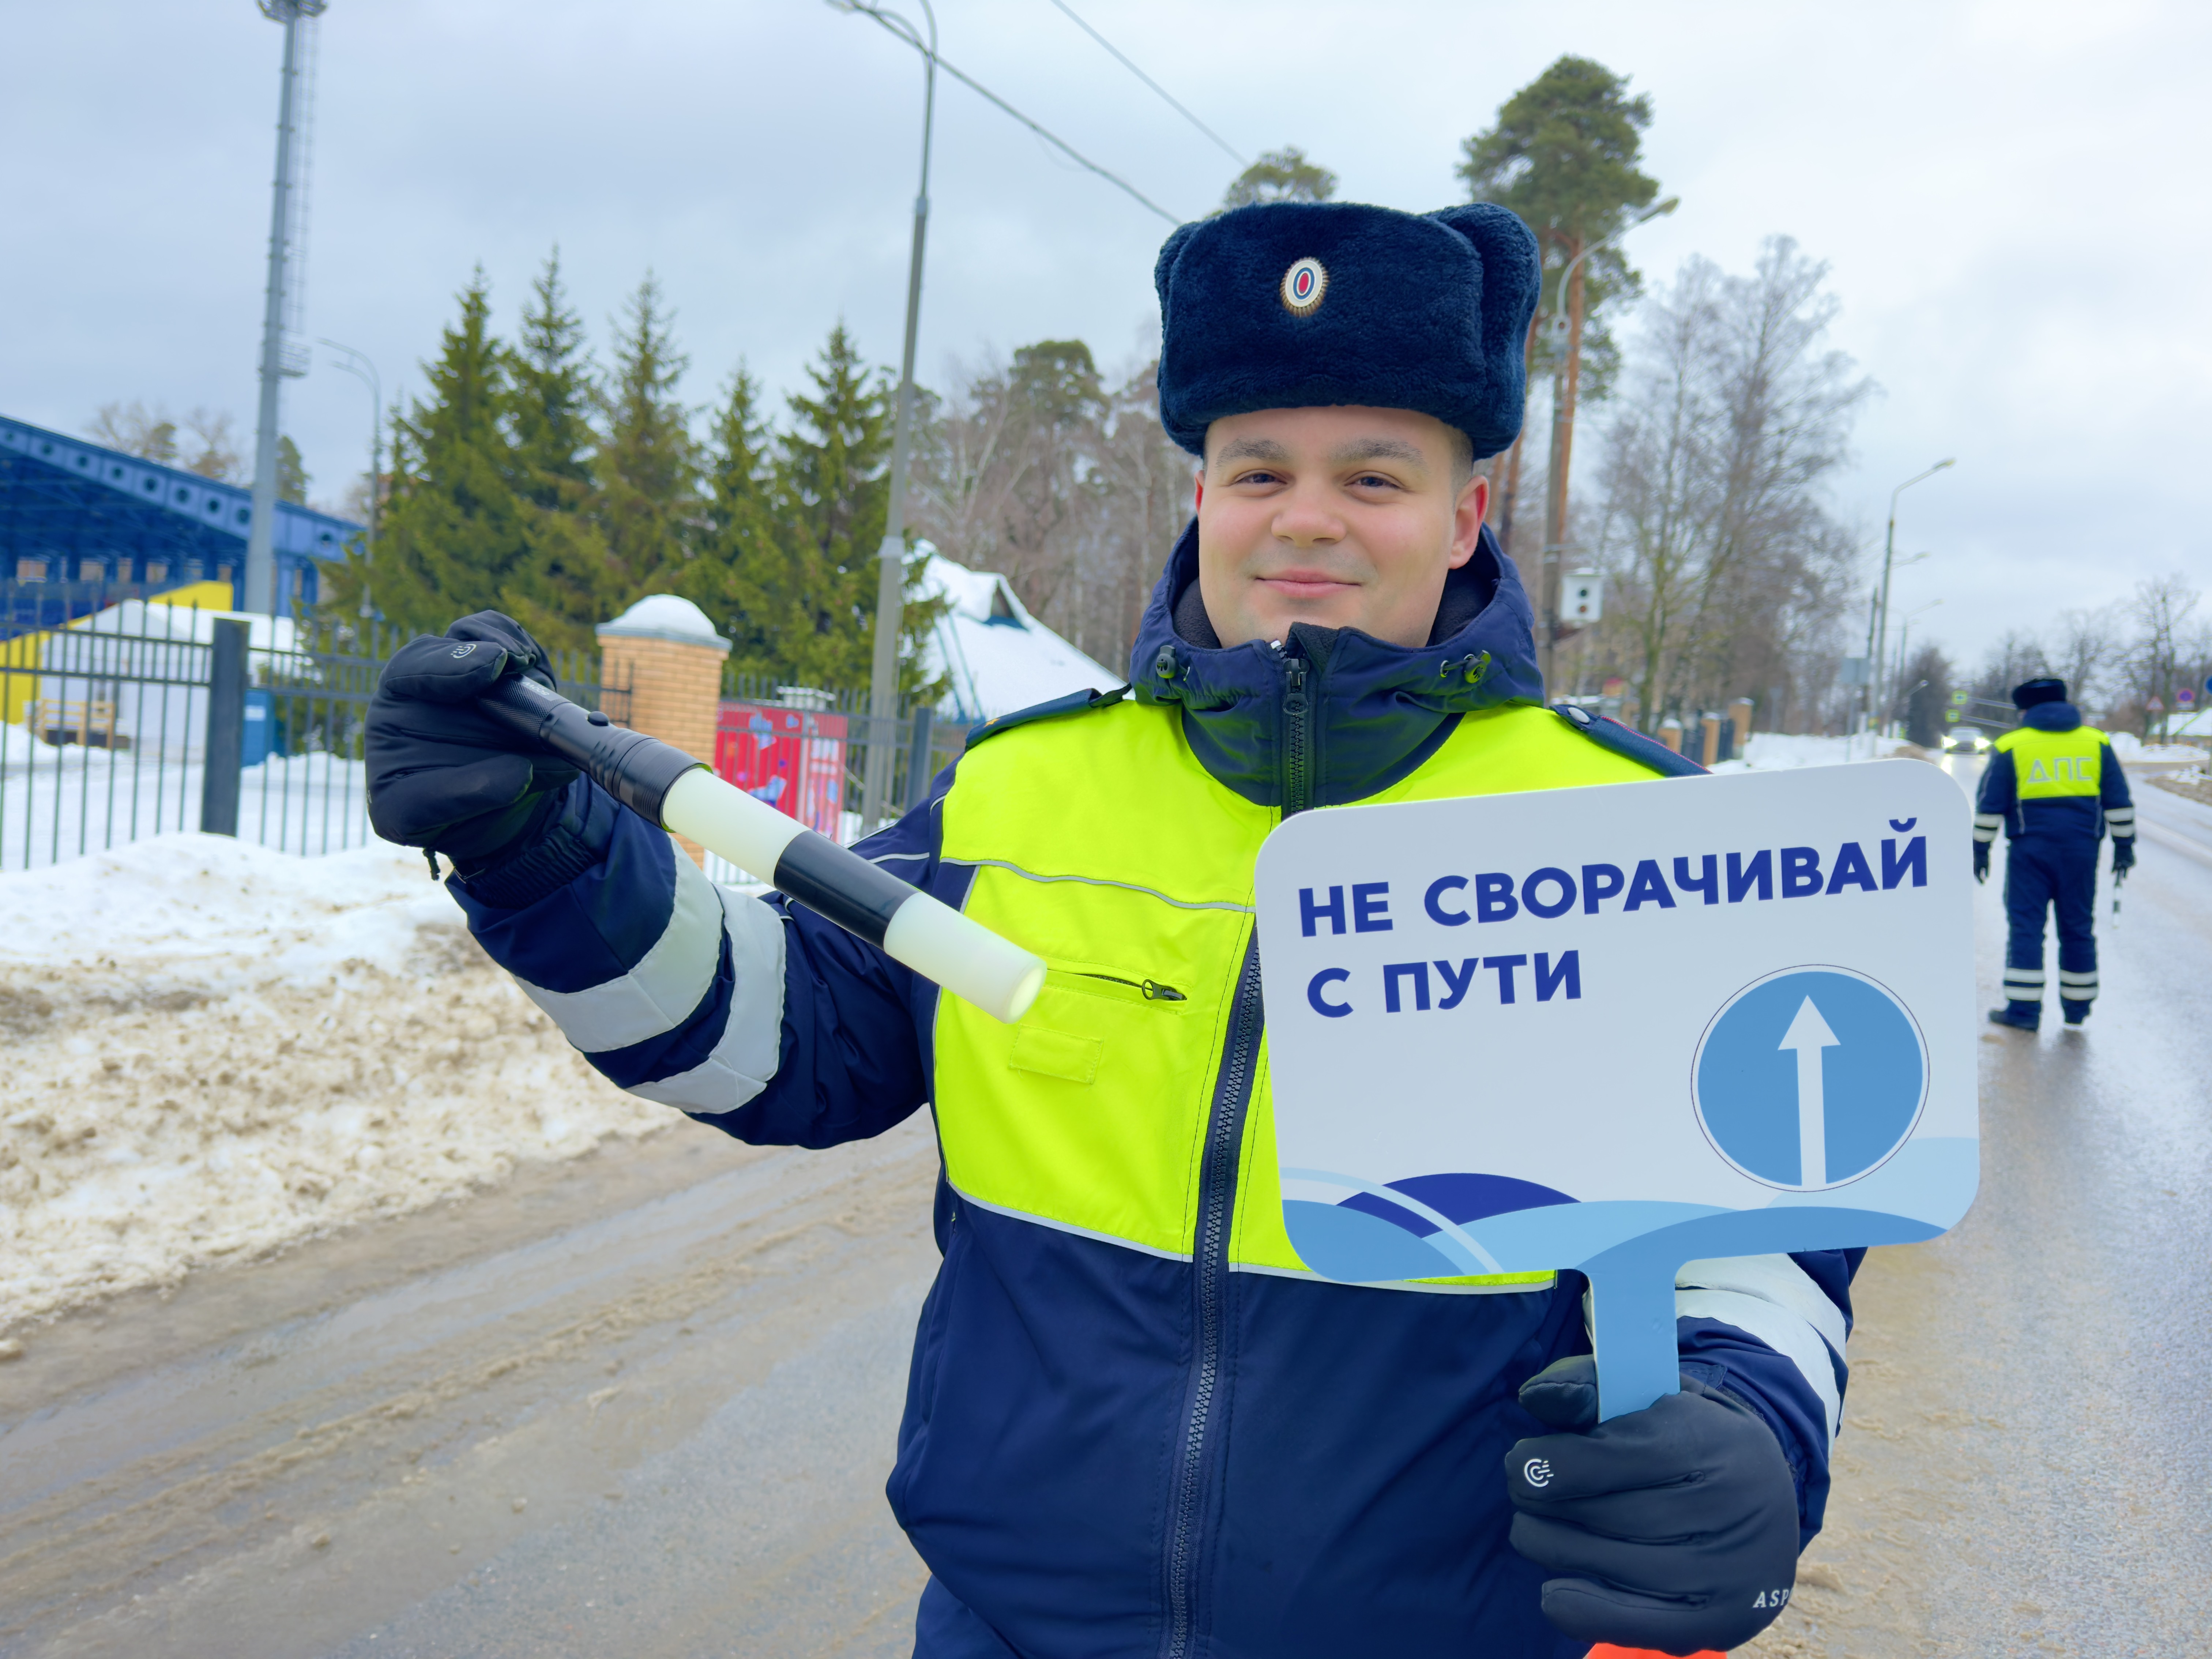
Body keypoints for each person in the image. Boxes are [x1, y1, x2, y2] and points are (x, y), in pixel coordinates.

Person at [367, 200, 1853, 1659]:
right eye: (1258, 466)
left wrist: (1752, 1429)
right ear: (1201, 494)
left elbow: (1756, 1250)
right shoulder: (1020, 791)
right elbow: (777, 1040)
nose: (1309, 517)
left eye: (1377, 475)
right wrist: (543, 850)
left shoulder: (1635, 833)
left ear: (1469, 512)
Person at [1974, 676, 2136, 1030]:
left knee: (2027, 928)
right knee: (2078, 928)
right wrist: (2125, 847)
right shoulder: (2097, 742)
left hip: (2029, 852)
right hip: (2082, 852)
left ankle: (2024, 1011)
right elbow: (2119, 801)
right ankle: (2078, 1010)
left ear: (2025, 710)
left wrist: (1980, 849)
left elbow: (1990, 805)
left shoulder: (2011, 746)